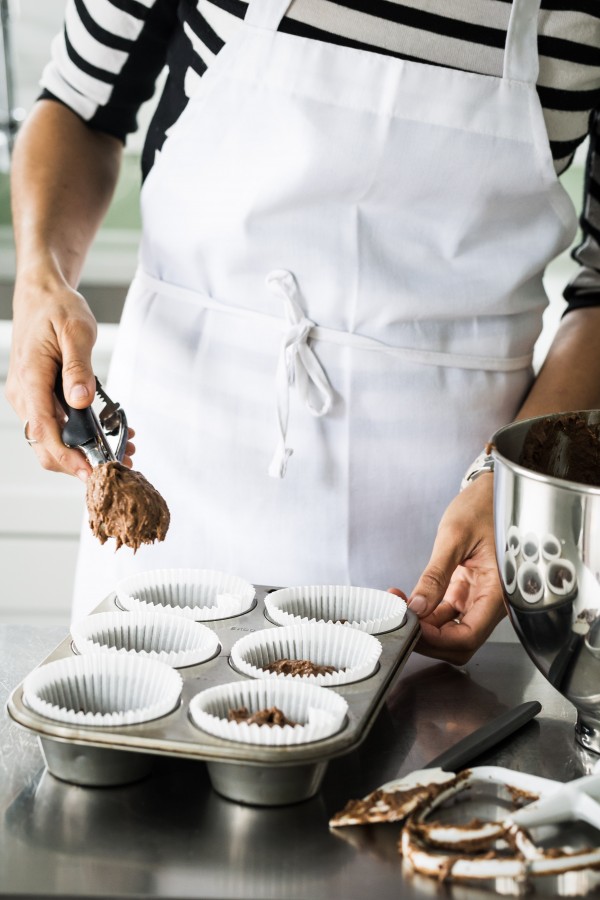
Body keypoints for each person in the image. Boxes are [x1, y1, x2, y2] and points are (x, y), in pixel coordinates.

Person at [6, 0, 600, 665]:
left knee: (432, 762)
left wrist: (517, 474)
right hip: (184, 464)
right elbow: (78, 106)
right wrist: (41, 278)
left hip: (457, 519)